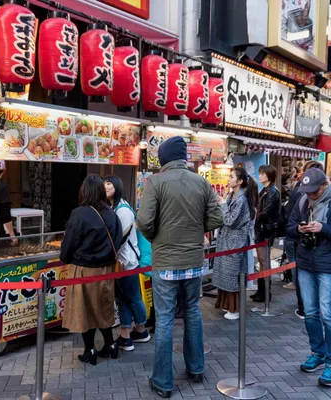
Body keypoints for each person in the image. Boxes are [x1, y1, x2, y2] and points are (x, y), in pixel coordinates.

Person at [138, 136, 223, 398]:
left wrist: (157, 240)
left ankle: (163, 382)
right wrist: (197, 231)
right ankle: (196, 369)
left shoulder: (155, 182)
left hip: (165, 262)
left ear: (163, 158)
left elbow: (144, 221)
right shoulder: (201, 182)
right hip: (194, 262)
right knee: (192, 313)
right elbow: (217, 217)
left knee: (164, 320)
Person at [287, 168, 331, 387]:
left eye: (314, 191)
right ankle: (317, 352)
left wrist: (324, 228)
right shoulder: (302, 201)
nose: (310, 195)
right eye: (306, 191)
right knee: (309, 312)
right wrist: (299, 229)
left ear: (324, 185)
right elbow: (288, 227)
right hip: (306, 263)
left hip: (329, 265)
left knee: (328, 314)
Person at [60, 175, 123, 365]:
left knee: (85, 311)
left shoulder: (79, 213)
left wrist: (66, 258)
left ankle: (90, 350)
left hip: (84, 271)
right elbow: (118, 239)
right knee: (103, 309)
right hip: (106, 270)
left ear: (84, 191)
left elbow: (68, 245)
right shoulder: (112, 213)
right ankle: (111, 345)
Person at [104, 175, 151, 351]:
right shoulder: (114, 207)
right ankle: (127, 334)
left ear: (117, 185)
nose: (105, 186)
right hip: (123, 261)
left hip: (127, 261)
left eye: (109, 183)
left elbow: (119, 238)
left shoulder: (122, 210)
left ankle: (141, 330)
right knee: (123, 298)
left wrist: (108, 255)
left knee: (131, 297)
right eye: (104, 184)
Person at [214, 168, 258, 320]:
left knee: (232, 276)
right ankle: (227, 305)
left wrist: (222, 205)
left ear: (240, 181)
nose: (228, 178)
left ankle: (234, 309)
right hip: (227, 242)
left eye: (231, 176)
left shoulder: (241, 200)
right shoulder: (232, 195)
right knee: (226, 275)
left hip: (234, 243)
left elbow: (231, 220)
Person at [284, 160, 324, 319]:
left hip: (305, 244)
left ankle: (304, 306)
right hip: (308, 243)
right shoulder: (301, 194)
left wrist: (323, 229)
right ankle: (309, 306)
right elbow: (291, 222)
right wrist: (297, 228)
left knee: (302, 272)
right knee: (308, 273)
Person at [251, 164, 281, 303]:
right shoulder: (264, 190)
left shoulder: (273, 192)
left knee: (264, 261)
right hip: (261, 229)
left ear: (269, 175)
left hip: (267, 230)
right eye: (260, 173)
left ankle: (265, 292)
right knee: (262, 261)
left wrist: (252, 217)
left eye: (263, 173)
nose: (260, 176)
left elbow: (266, 211)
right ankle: (261, 290)